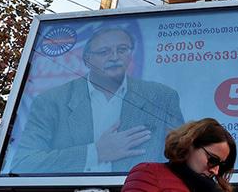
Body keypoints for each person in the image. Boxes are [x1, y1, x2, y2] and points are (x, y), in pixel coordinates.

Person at [11, 27, 184, 174]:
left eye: (122, 50)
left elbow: (181, 158)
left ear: (131, 55)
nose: (114, 57)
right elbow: (23, 164)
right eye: (104, 52)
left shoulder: (162, 96)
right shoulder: (51, 101)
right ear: (87, 59)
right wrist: (95, 153)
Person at [122, 118, 237, 192]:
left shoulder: (212, 188)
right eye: (212, 160)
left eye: (222, 166)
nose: (216, 171)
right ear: (190, 144)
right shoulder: (150, 173)